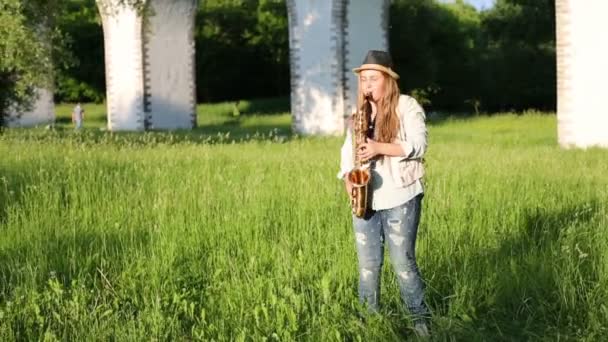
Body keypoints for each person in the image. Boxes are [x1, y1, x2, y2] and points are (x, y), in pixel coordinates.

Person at [337, 50, 431, 337]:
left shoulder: (407, 106)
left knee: (403, 263)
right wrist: (350, 184)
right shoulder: (361, 113)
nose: (367, 85)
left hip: (401, 197)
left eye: (373, 79)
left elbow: (419, 144)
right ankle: (369, 324)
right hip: (367, 201)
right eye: (363, 79)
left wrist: (379, 147)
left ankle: (420, 323)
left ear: (388, 80)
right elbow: (347, 155)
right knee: (367, 266)